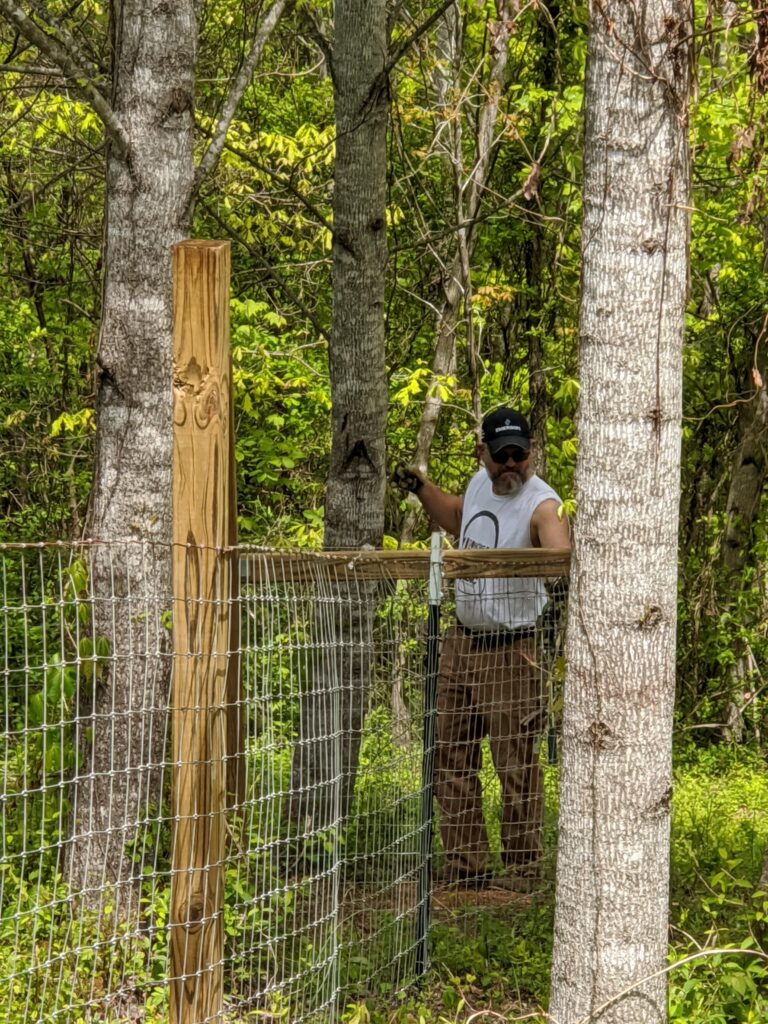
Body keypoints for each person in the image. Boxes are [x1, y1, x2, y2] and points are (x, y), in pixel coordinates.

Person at [393, 407, 570, 891]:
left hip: (514, 648)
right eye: (501, 455)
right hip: (463, 640)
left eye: (519, 455)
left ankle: (522, 870)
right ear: (483, 454)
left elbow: (558, 554)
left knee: (514, 760)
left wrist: (553, 561)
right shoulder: (477, 484)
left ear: (530, 453)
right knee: (450, 752)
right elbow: (456, 516)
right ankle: (467, 865)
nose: (511, 464)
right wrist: (420, 486)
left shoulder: (543, 503)